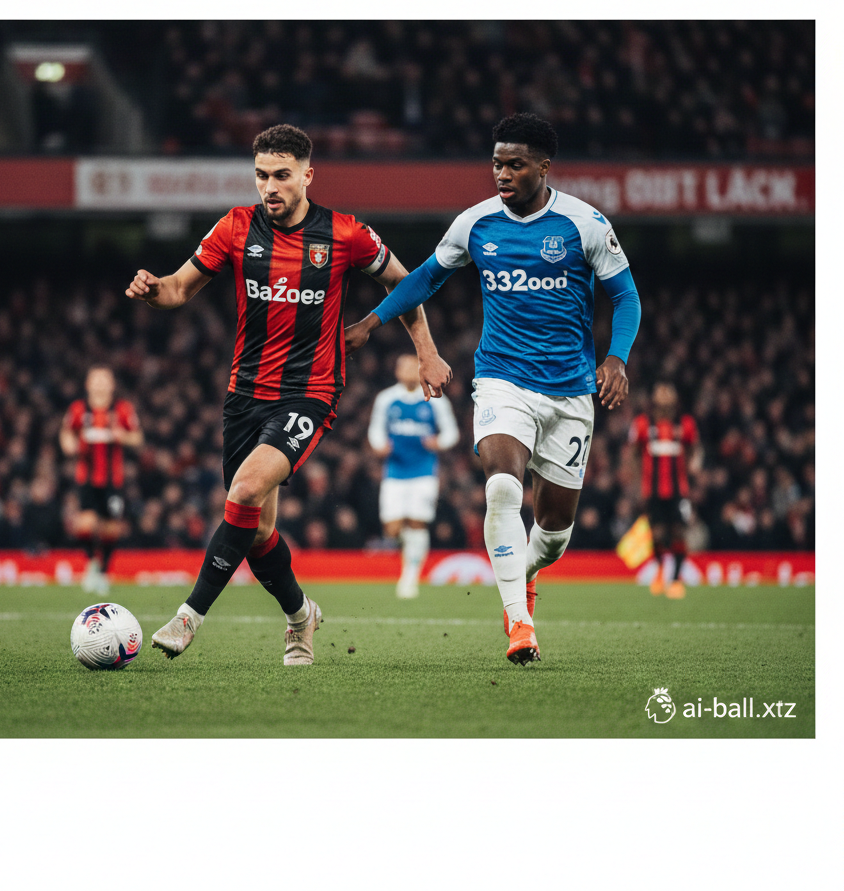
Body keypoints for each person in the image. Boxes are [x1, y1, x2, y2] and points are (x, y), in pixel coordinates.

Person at [125, 124, 451, 666]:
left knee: (245, 490)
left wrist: (425, 353)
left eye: (280, 175)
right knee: (256, 532)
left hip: (309, 394)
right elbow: (177, 288)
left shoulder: (345, 234)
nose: (269, 186)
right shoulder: (234, 226)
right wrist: (152, 288)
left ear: (307, 175)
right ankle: (301, 617)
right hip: (243, 396)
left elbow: (409, 282)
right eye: (260, 176)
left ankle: (188, 616)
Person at [346, 112, 641, 665]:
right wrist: (372, 321)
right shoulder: (475, 223)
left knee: (552, 533)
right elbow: (426, 276)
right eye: (497, 163)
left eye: (515, 164)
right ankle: (520, 624)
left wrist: (617, 358)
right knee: (503, 488)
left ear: (543, 166)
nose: (502, 173)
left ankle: (521, 576)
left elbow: (626, 298)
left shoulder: (585, 224)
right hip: (501, 381)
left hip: (571, 392)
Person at [368, 353, 459, 597]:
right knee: (393, 528)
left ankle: (410, 577)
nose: (408, 370)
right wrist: (379, 445)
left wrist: (439, 442)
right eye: (403, 366)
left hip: (424, 471)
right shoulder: (386, 399)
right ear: (397, 371)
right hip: (394, 470)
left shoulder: (436, 399)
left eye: (412, 366)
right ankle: (409, 564)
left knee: (417, 521)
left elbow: (451, 432)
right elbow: (375, 429)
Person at [59, 365, 144, 594]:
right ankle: (92, 565)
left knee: (111, 529)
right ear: (87, 384)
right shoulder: (78, 409)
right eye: (95, 379)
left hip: (113, 480)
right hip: (86, 478)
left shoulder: (122, 409)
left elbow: (137, 437)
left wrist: (123, 436)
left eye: (104, 379)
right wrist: (69, 444)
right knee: (85, 524)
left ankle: (104, 572)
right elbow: (66, 432)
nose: (99, 383)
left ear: (112, 384)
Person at [630, 382, 701, 598]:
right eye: (661, 403)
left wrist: (695, 466)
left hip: (679, 491)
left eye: (668, 403)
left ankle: (676, 580)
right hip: (652, 491)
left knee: (678, 532)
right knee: (658, 535)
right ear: (654, 403)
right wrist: (635, 484)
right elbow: (633, 454)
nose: (664, 408)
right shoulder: (643, 424)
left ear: (674, 403)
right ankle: (661, 571)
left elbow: (695, 449)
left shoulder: (685, 424)